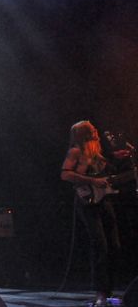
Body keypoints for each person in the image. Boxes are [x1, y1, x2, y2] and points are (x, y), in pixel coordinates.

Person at [60, 121, 121, 307]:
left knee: (114, 246)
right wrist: (92, 181)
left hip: (104, 201)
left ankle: (109, 289)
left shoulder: (96, 151)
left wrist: (115, 156)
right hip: (87, 203)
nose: (96, 130)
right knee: (100, 246)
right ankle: (100, 293)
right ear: (84, 133)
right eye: (92, 129)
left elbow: (101, 174)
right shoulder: (76, 152)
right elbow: (65, 174)